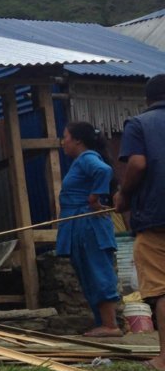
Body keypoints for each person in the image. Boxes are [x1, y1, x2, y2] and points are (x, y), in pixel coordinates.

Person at [115, 74, 165, 368]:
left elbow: (137, 163)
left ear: (147, 99)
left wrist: (124, 195)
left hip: (156, 219)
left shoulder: (140, 124)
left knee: (161, 289)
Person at [56, 122, 120, 337]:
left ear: (77, 140)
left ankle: (110, 325)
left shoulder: (87, 158)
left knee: (97, 269)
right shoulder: (79, 162)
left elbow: (104, 171)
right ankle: (102, 323)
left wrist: (95, 198)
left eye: (65, 136)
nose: (62, 141)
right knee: (87, 271)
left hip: (89, 224)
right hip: (78, 225)